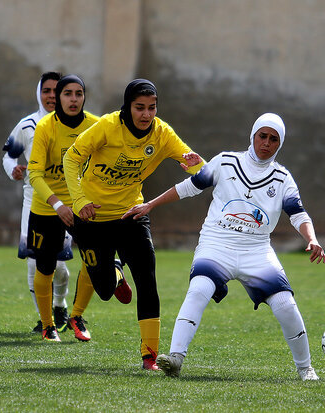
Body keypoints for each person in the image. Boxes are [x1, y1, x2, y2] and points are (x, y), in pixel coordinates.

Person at [123, 113, 325, 381]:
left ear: (280, 143)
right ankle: (175, 358)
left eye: (273, 139)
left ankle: (305, 369)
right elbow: (189, 187)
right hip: (217, 243)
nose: (266, 143)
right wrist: (150, 204)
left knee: (285, 304)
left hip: (257, 250)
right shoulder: (226, 161)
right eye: (262, 136)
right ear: (252, 136)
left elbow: (298, 214)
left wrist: (311, 238)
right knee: (199, 288)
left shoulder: (282, 178)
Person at [63, 78, 204, 370]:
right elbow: (71, 158)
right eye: (139, 108)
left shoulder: (163, 134)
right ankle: (114, 270)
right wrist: (78, 202)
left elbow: (197, 167)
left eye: (152, 108)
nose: (146, 114)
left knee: (147, 279)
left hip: (131, 215)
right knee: (103, 289)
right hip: (92, 216)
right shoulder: (107, 126)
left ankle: (149, 357)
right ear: (127, 107)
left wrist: (197, 163)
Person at [27, 74, 105, 342]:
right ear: (58, 98)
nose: (74, 99)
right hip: (48, 207)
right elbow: (34, 174)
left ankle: (77, 315)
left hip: (82, 205)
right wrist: (58, 204)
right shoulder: (46, 126)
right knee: (45, 266)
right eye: (67, 94)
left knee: (94, 261)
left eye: (79, 94)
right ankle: (48, 326)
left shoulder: (96, 125)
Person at [2, 71, 74, 334]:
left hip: (68, 203)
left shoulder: (77, 125)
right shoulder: (27, 125)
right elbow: (9, 156)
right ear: (39, 93)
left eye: (57, 91)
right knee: (35, 263)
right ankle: (46, 321)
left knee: (62, 268)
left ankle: (60, 304)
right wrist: (14, 170)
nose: (51, 96)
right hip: (34, 203)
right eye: (47, 91)